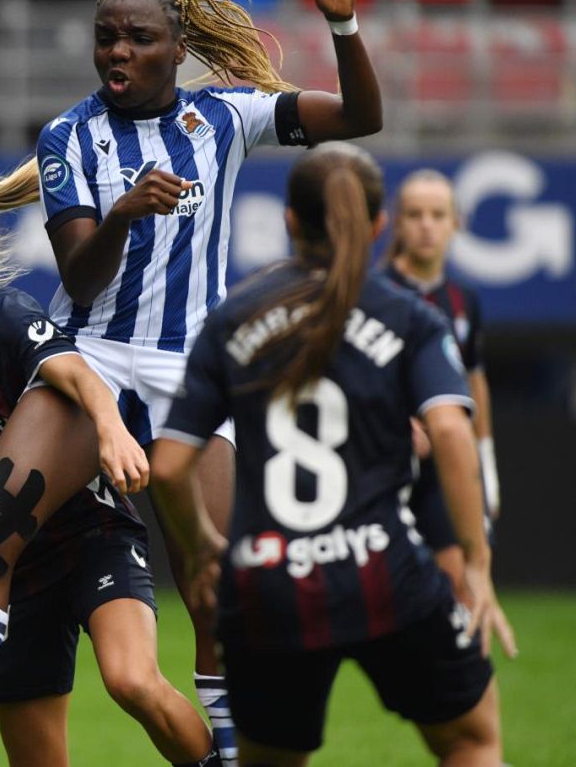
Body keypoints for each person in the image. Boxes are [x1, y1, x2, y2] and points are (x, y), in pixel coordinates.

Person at [0, 0, 383, 764]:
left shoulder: (227, 116)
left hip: (193, 375)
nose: (118, 51)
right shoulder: (68, 135)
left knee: (212, 583)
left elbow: (359, 120)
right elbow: (78, 270)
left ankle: (225, 751)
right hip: (94, 359)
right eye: (106, 36)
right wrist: (124, 212)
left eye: (138, 38)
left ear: (177, 48)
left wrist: (342, 23)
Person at [151, 141, 517, 766]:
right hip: (387, 573)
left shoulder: (235, 318)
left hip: (269, 586)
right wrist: (477, 564)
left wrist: (206, 548)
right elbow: (454, 431)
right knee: (472, 740)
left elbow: (166, 466)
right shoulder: (407, 316)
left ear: (290, 219)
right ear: (380, 226)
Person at [0, 180, 219, 767]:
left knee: (132, 681)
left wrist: (114, 431)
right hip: (7, 575)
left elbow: (79, 372)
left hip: (93, 535)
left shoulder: (6, 313)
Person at [384, 169, 501, 594]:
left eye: (438, 214)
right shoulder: (377, 293)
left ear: (457, 222)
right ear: (396, 222)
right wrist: (398, 419)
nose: (427, 226)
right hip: (383, 464)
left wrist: (485, 462)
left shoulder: (462, 299)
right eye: (415, 214)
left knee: (462, 581)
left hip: (442, 467)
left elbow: (474, 379)